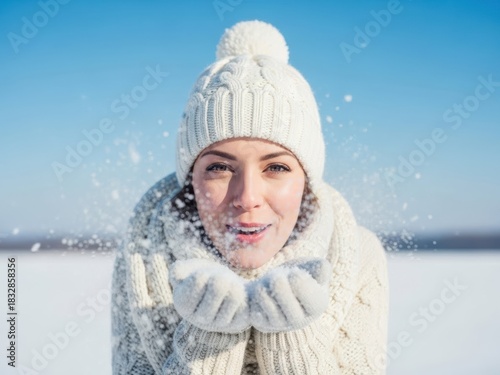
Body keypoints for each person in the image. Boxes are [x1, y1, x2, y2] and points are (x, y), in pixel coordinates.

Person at [111, 20, 388, 374]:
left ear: (306, 180)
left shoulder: (358, 255)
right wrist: (209, 338)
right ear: (190, 180)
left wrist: (292, 340)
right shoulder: (144, 258)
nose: (247, 197)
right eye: (219, 168)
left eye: (276, 168)